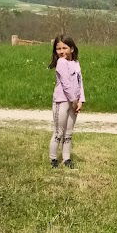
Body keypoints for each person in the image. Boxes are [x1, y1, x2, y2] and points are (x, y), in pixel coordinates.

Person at [48, 35, 85, 168]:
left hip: (74, 102)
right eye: (58, 48)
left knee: (68, 133)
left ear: (72, 49)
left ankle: (66, 158)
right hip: (62, 102)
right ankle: (53, 159)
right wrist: (74, 100)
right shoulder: (61, 63)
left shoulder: (75, 63)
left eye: (65, 48)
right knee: (59, 132)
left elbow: (80, 83)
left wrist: (81, 100)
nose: (62, 51)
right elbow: (66, 84)